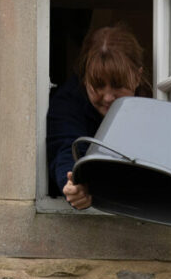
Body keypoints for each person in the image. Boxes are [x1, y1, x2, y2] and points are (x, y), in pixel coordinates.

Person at [46, 24, 145, 210]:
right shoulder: (67, 104)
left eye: (118, 85)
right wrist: (73, 184)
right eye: (98, 85)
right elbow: (67, 147)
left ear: (137, 77)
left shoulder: (151, 106)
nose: (108, 97)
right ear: (84, 79)